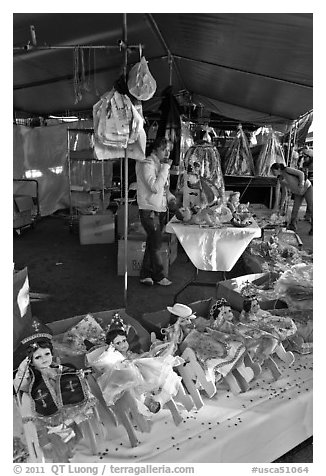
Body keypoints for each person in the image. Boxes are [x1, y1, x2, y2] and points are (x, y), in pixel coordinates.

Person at [135, 137, 177, 286]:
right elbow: (155, 187)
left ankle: (145, 274)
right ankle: (159, 276)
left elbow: (163, 190)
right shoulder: (147, 164)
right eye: (164, 149)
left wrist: (171, 198)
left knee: (152, 242)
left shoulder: (159, 165)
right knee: (157, 243)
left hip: (157, 209)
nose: (167, 153)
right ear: (156, 149)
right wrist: (166, 168)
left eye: (169, 151)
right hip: (149, 210)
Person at [270, 162, 313, 235]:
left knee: (311, 208)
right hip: (298, 193)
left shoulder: (287, 170)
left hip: (307, 187)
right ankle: (293, 226)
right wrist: (281, 205)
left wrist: (301, 185)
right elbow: (284, 193)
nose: (273, 173)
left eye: (274, 171)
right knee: (295, 210)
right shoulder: (280, 179)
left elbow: (301, 174)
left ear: (279, 169)